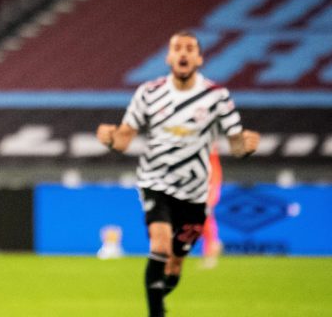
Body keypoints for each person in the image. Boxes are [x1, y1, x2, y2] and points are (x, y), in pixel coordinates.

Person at [96, 31, 259, 317]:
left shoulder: (217, 97)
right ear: (169, 57)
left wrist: (247, 145)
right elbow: (123, 139)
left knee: (174, 265)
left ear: (199, 57)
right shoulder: (148, 93)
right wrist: (109, 138)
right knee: (159, 242)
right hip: (155, 180)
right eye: (177, 48)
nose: (183, 53)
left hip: (195, 190)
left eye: (189, 48)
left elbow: (236, 145)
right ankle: (156, 313)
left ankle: (160, 294)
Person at [201, 148, 223, 268]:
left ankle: (212, 248)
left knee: (205, 216)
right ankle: (213, 244)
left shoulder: (208, 146)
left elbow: (215, 172)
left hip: (207, 186)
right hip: (196, 184)